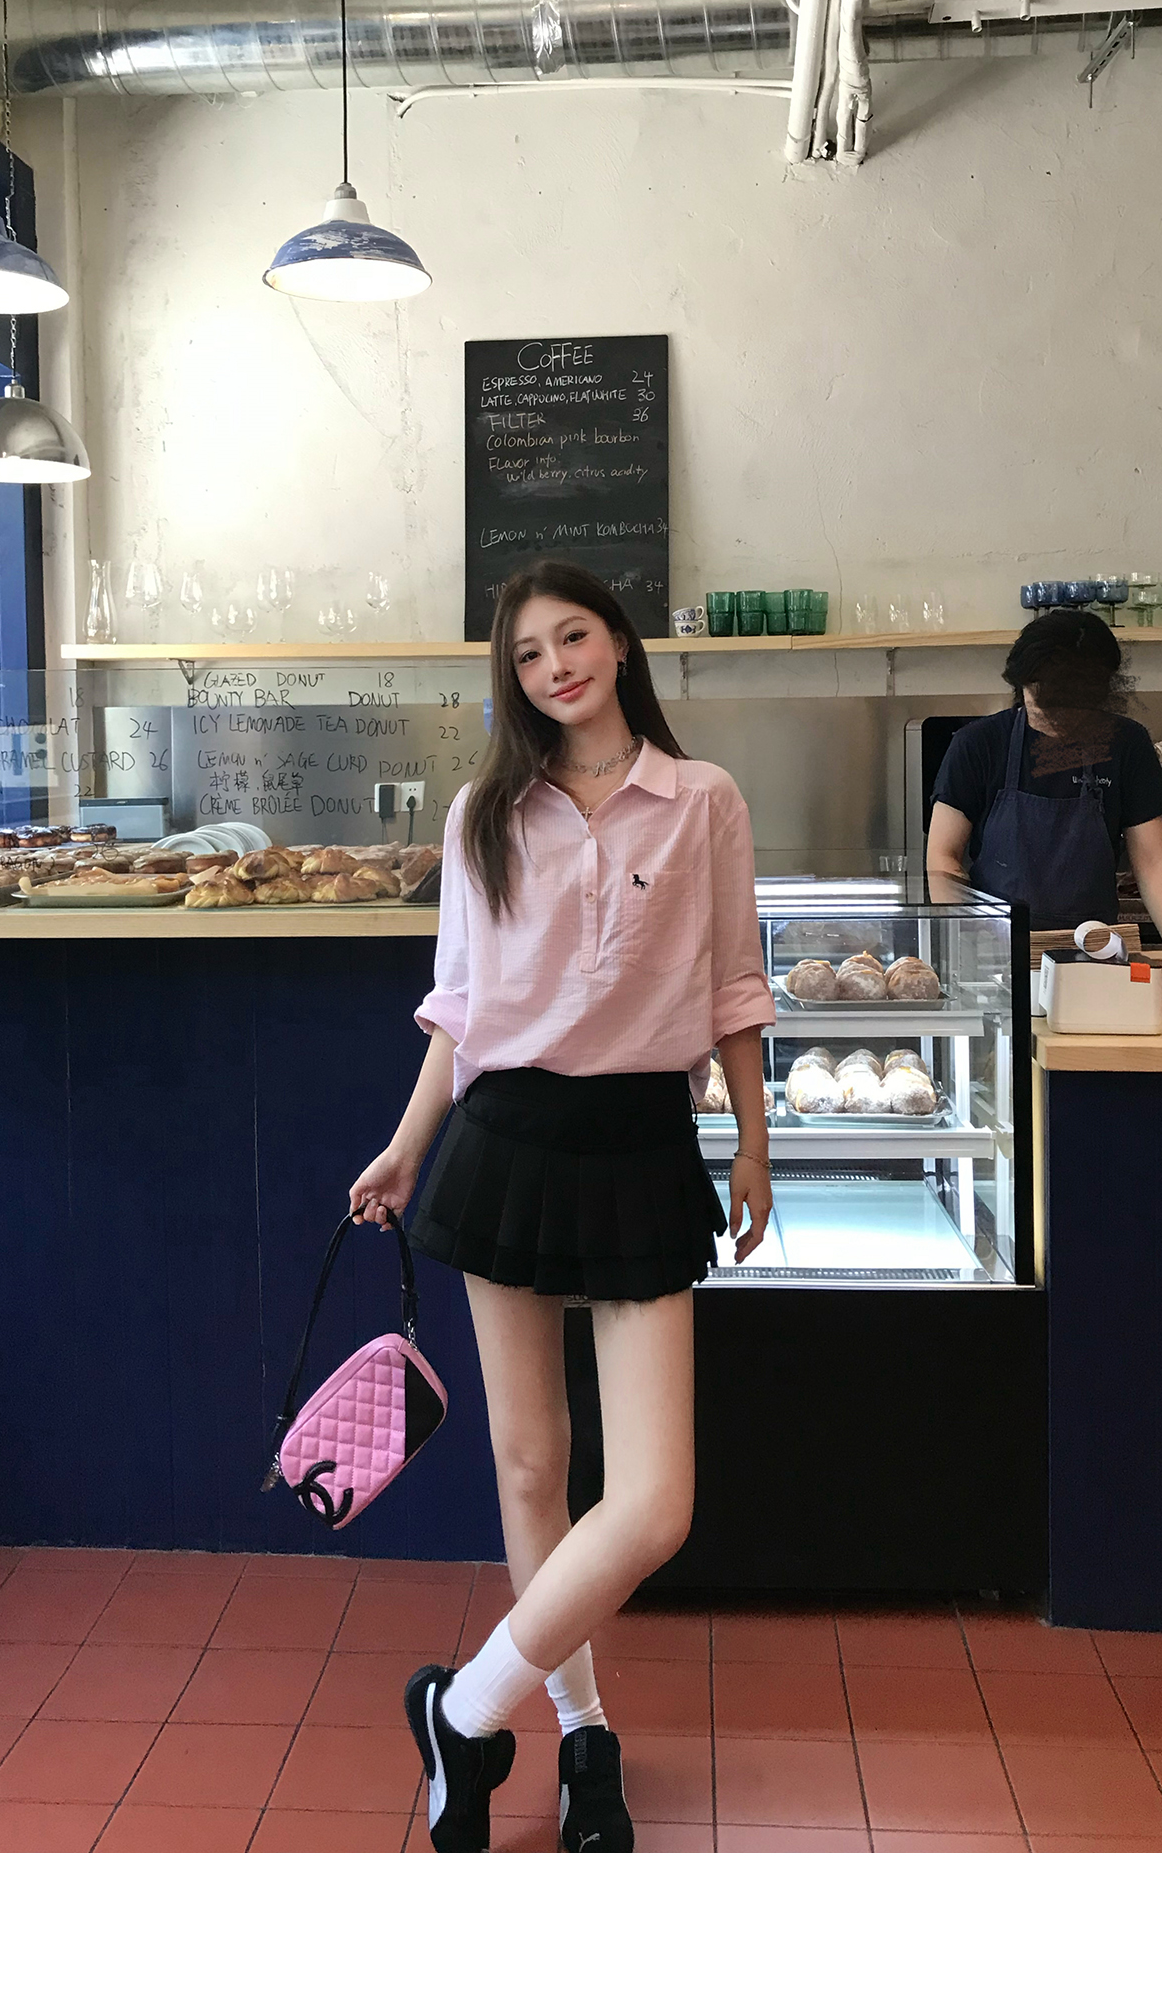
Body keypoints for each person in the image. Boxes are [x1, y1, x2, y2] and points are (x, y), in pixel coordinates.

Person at [349, 560, 775, 1853]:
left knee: (654, 1502)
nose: (555, 669)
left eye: (573, 637)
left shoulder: (703, 800)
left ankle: (463, 1709)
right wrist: (406, 1147)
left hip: (644, 1145)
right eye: (528, 655)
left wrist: (755, 1146)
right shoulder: (487, 809)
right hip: (507, 1143)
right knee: (532, 1465)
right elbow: (462, 1007)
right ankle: (583, 1734)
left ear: (621, 643)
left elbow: (735, 986)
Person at [926, 609, 1162, 948]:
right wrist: (962, 940)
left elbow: (1152, 862)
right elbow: (943, 856)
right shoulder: (978, 744)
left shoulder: (1126, 743)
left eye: (1068, 708)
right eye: (1042, 704)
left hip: (1094, 948)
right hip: (997, 949)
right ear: (1021, 682)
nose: (1053, 719)